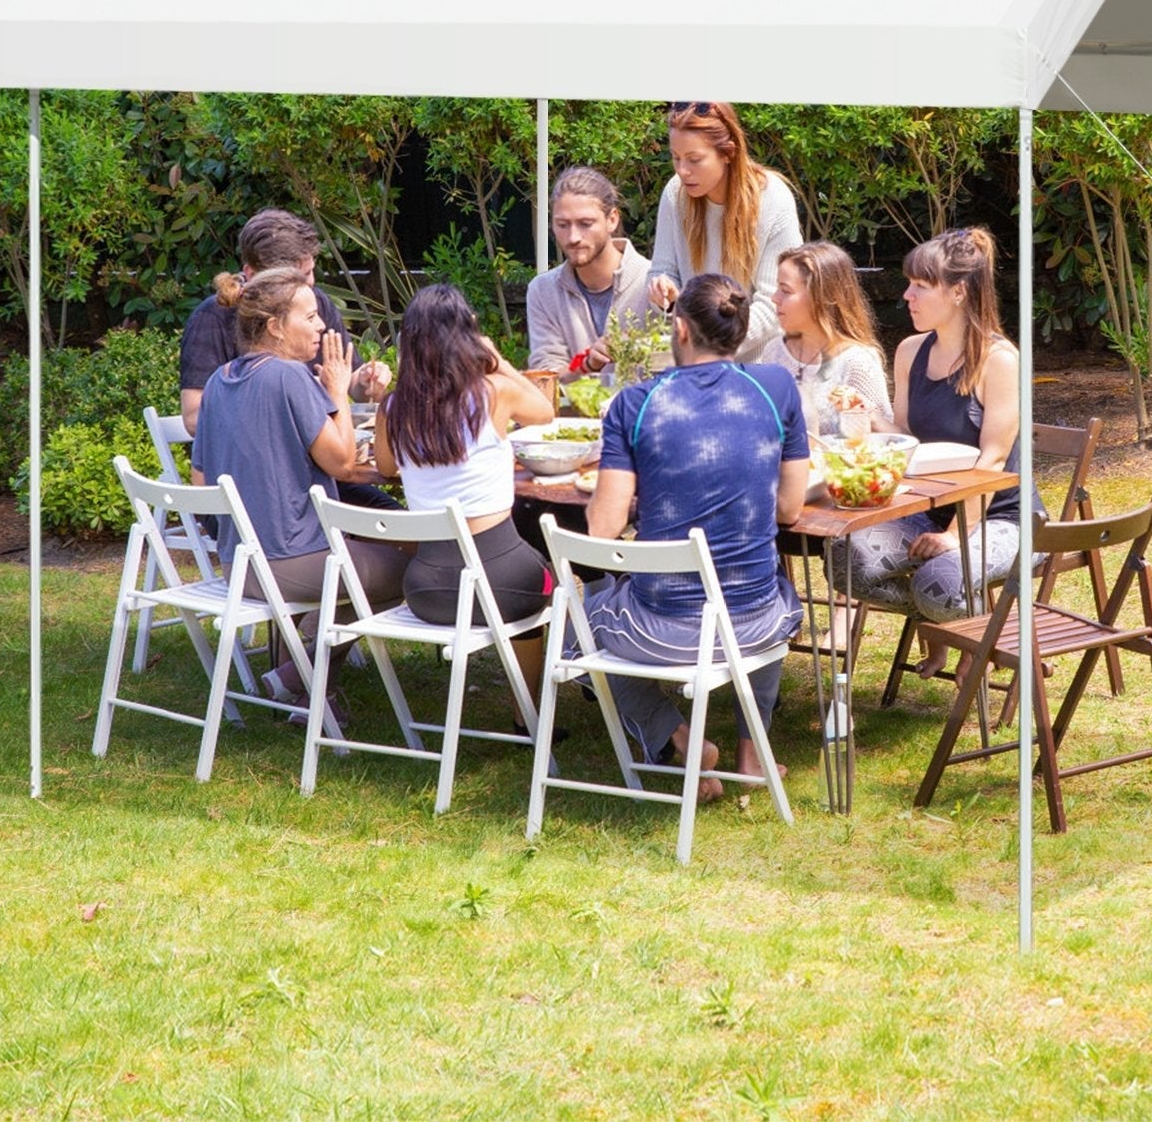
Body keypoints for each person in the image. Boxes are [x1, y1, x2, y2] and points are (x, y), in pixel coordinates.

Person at [583, 273, 810, 800]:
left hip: (662, 630)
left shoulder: (635, 404)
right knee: (774, 586)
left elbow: (603, 528)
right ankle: (752, 749)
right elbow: (790, 507)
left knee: (579, 624)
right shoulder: (775, 387)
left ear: (680, 329)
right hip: (757, 627)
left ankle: (679, 739)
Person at [189, 266, 408, 716]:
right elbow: (344, 463)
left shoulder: (220, 380)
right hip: (291, 565)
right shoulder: (289, 377)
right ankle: (303, 671)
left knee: (364, 551)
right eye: (309, 317)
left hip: (237, 566)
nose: (322, 325)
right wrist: (338, 392)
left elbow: (199, 484)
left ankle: (310, 687)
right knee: (418, 565)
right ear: (274, 326)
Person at [834, 226, 1021, 675]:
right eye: (910, 283)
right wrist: (870, 415)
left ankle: (982, 643)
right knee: (845, 560)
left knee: (939, 580)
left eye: (920, 285)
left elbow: (992, 463)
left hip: (1001, 518)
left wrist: (955, 536)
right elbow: (907, 439)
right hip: (929, 509)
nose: (907, 296)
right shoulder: (910, 350)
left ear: (958, 292)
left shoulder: (998, 360)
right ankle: (944, 624)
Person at [374, 284, 557, 727]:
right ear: (467, 338)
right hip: (501, 584)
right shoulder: (492, 392)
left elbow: (386, 467)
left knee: (531, 570)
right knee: (549, 581)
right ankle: (525, 713)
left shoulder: (393, 407)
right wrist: (497, 361)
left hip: (427, 590)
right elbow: (546, 412)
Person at [180, 208, 390, 436]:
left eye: (309, 272)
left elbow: (350, 383)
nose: (310, 284)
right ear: (252, 274)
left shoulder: (317, 301)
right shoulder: (213, 317)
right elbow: (193, 419)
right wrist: (293, 401)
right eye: (296, 279)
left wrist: (366, 382)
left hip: (317, 452)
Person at [646, 102, 802, 362]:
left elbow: (776, 303)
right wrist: (664, 293)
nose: (682, 170)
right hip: (694, 361)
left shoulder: (773, 199)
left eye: (694, 159)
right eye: (676, 157)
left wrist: (711, 348)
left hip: (758, 368)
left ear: (728, 153)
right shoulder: (675, 194)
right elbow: (662, 271)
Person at [525, 167, 657, 380]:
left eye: (585, 224)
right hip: (571, 414)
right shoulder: (543, 290)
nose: (573, 236)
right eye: (562, 225)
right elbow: (547, 376)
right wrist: (586, 364)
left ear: (612, 219)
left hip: (643, 412)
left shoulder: (653, 281)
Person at [760, 240, 892, 437]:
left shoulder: (857, 362)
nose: (774, 297)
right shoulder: (774, 352)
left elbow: (888, 441)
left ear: (819, 297)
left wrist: (867, 414)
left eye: (785, 290)